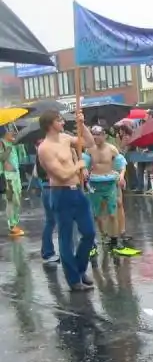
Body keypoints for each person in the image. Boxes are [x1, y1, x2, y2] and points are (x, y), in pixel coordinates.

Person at [36, 108, 97, 292]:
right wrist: (78, 165)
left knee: (89, 233)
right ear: (50, 125)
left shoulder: (64, 138)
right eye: (59, 120)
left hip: (77, 191)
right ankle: (73, 279)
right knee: (66, 238)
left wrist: (81, 124)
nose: (63, 123)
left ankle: (79, 269)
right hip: (60, 193)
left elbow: (88, 142)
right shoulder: (44, 148)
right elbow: (61, 174)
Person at [84, 125, 127, 249]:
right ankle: (104, 235)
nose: (95, 137)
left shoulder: (112, 149)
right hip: (95, 183)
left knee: (113, 213)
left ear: (104, 135)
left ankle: (114, 238)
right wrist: (84, 169)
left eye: (98, 134)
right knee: (97, 214)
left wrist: (122, 176)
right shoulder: (89, 150)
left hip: (110, 183)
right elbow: (84, 164)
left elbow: (122, 164)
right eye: (93, 134)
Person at [34, 140, 58, 263]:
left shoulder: (42, 151)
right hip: (50, 187)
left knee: (51, 221)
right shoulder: (45, 152)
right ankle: (48, 252)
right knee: (52, 221)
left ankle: (47, 251)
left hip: (49, 187)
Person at [0, 127, 24, 237]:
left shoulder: (12, 144)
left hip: (16, 175)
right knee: (11, 201)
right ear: (4, 133)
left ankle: (15, 223)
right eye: (10, 131)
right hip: (8, 176)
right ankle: (12, 225)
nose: (13, 133)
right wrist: (8, 149)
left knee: (17, 200)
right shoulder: (1, 143)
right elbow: (2, 157)